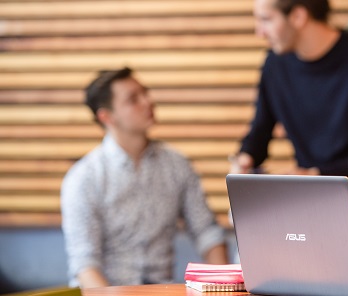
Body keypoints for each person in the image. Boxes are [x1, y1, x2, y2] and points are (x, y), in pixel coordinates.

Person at [61, 68, 228, 288]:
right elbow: (85, 264)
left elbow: (206, 233)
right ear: (107, 117)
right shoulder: (84, 178)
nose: (148, 102)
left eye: (145, 93)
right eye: (133, 99)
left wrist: (226, 286)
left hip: (163, 289)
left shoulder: (176, 164)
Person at [230, 0, 348, 194]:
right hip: (309, 194)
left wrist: (315, 176)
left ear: (298, 16)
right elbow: (260, 130)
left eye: (266, 19)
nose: (259, 32)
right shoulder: (275, 65)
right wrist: (245, 159)